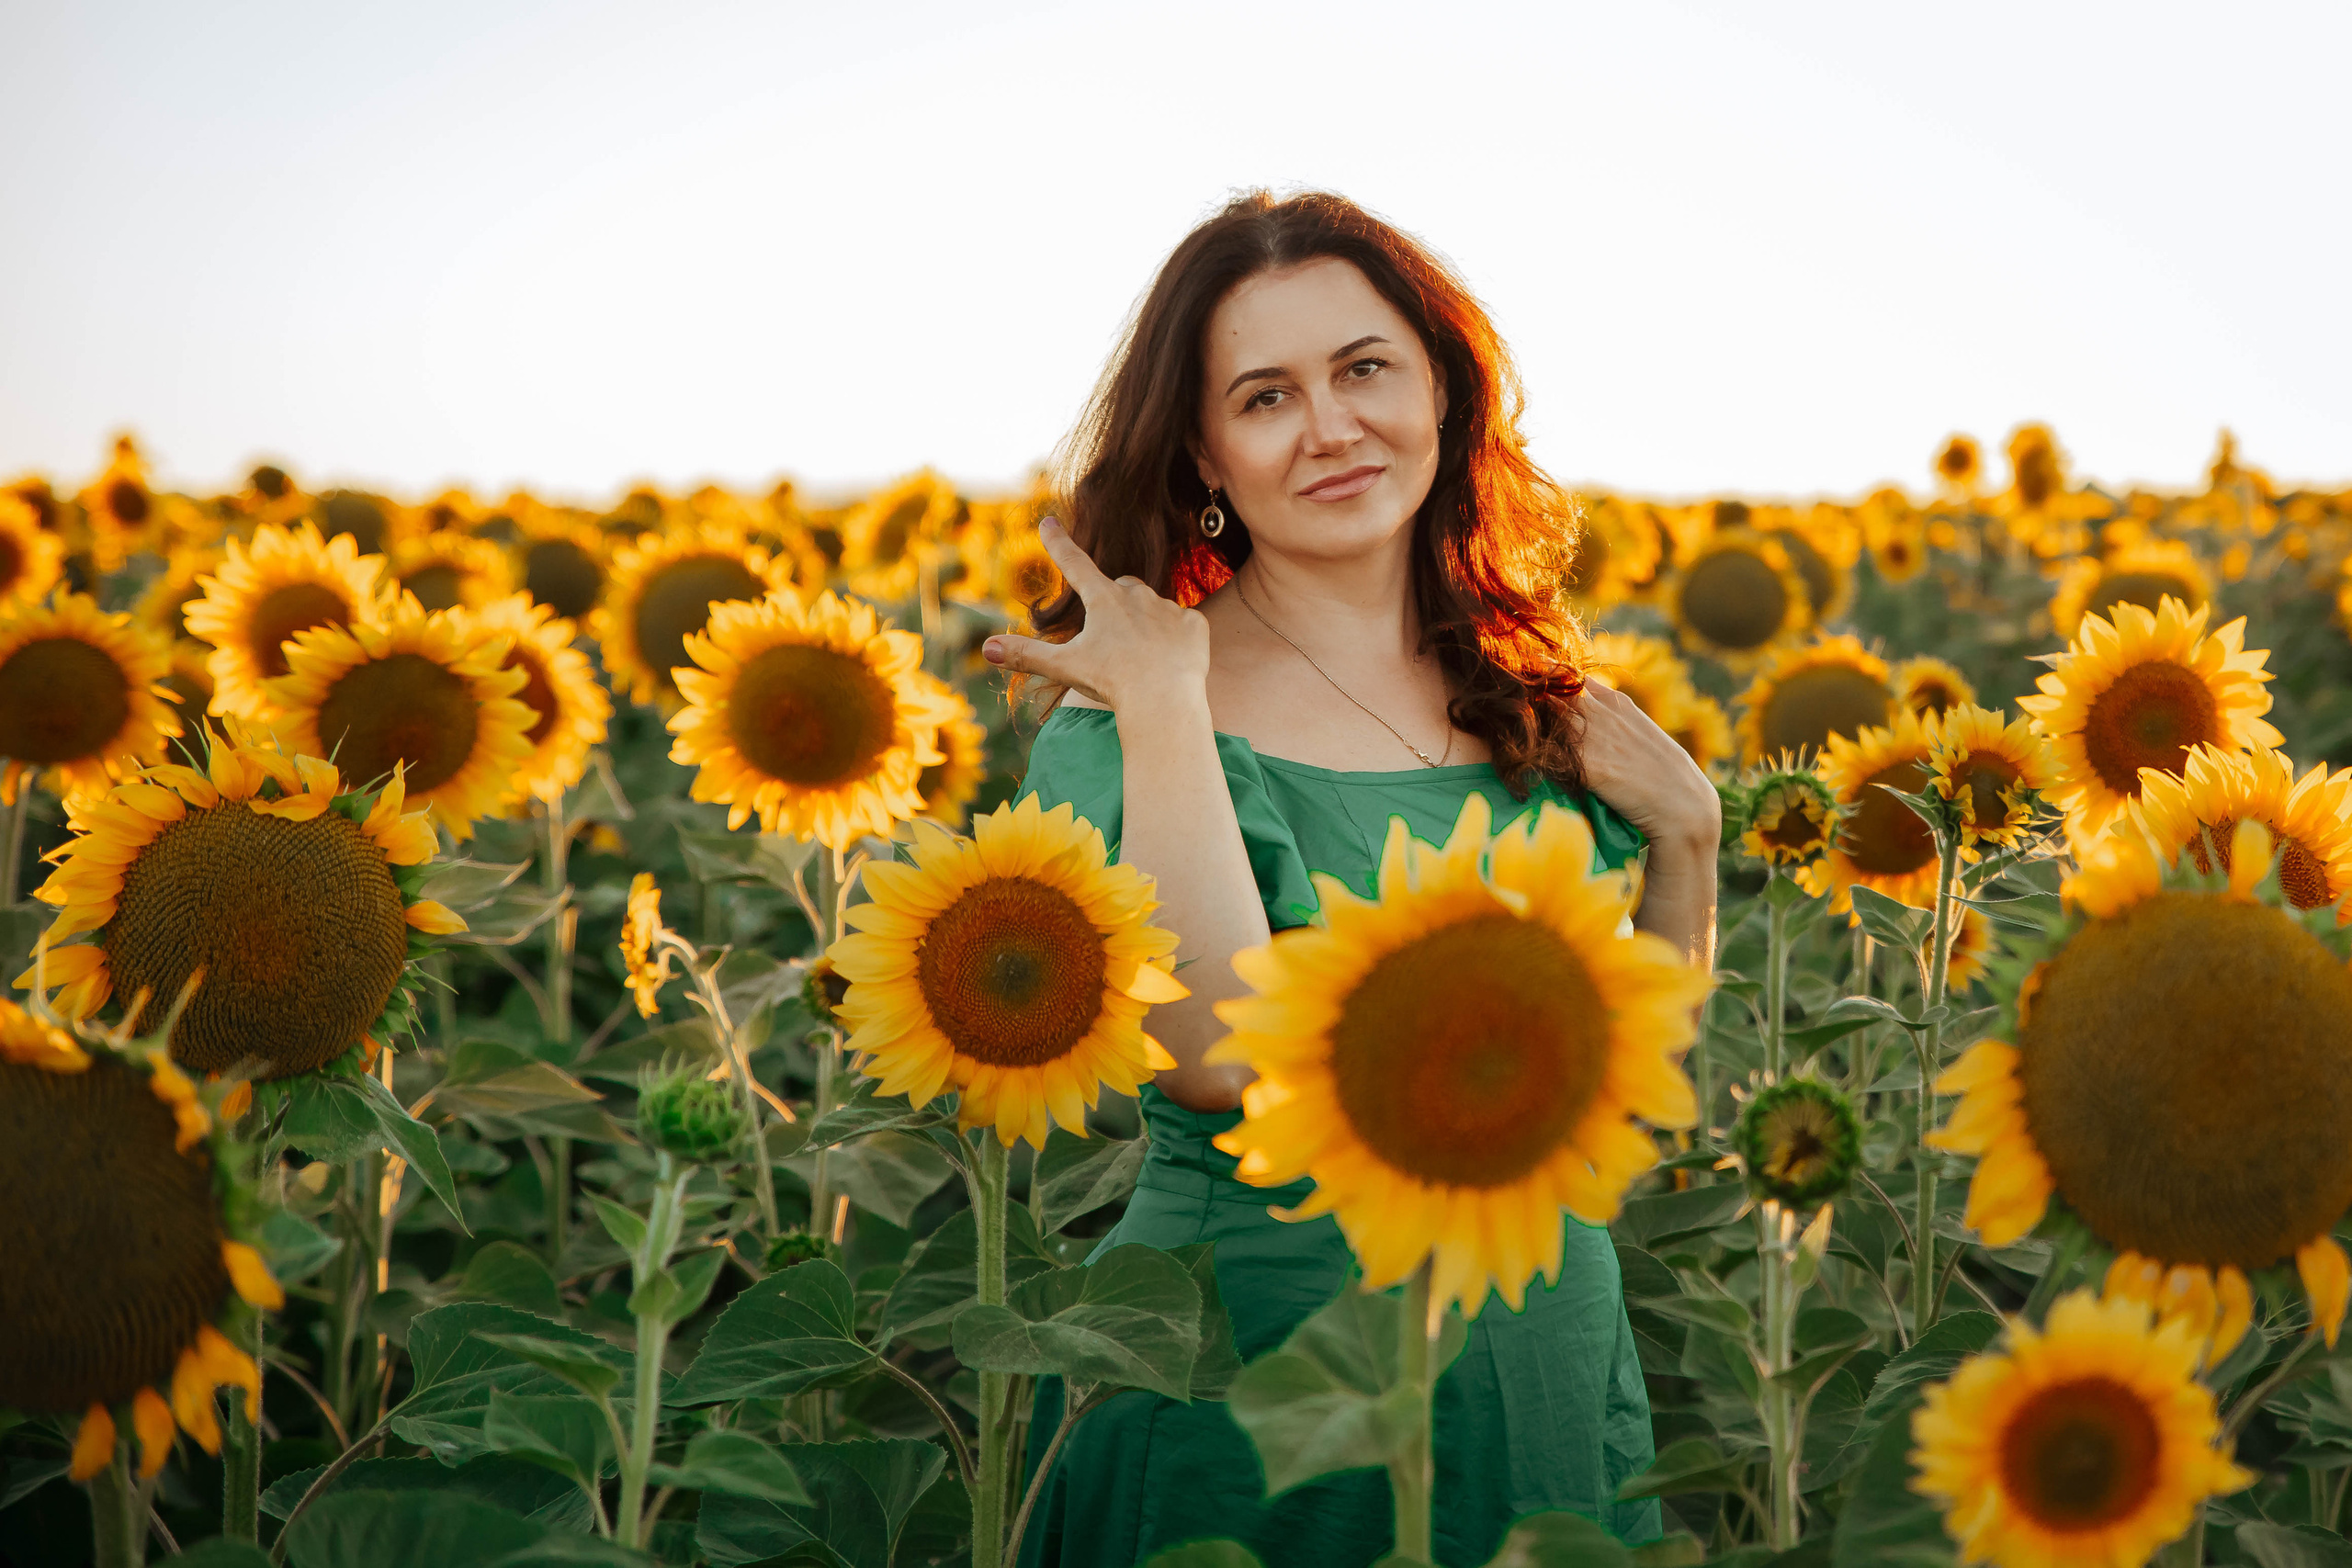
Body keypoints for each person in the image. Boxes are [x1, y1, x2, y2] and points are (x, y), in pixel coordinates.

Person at [982, 189, 1722, 1568]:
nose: (1331, 427)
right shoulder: (1135, 718)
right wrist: (1168, 702)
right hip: (1249, 1381)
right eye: (1266, 397)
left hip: (1542, 1365)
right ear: (1205, 452)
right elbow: (1214, 1056)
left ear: (1441, 387)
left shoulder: (1532, 706)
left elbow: (1624, 1096)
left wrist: (1688, 840)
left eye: (1364, 368)